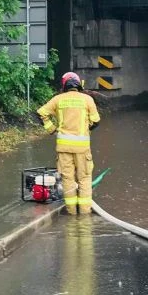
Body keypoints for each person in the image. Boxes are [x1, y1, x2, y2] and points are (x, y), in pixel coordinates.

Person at [37, 71, 101, 216]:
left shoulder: (58, 99)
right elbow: (96, 121)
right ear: (79, 84)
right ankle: (84, 214)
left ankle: (71, 213)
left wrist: (52, 129)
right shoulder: (87, 99)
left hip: (64, 148)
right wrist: (87, 129)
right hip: (82, 149)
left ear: (64, 85)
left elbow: (41, 113)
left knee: (68, 180)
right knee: (84, 179)